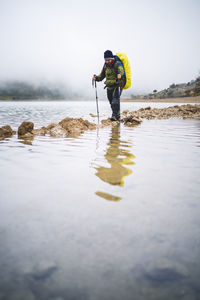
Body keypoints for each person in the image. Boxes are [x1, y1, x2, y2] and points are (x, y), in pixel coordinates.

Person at [93, 50, 126, 121]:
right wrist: (96, 78)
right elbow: (101, 76)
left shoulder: (118, 64)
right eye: (106, 60)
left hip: (117, 85)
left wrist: (120, 75)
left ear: (112, 59)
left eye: (108, 60)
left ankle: (114, 116)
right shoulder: (105, 66)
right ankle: (117, 115)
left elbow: (121, 71)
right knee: (111, 102)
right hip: (109, 86)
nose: (107, 61)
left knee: (115, 101)